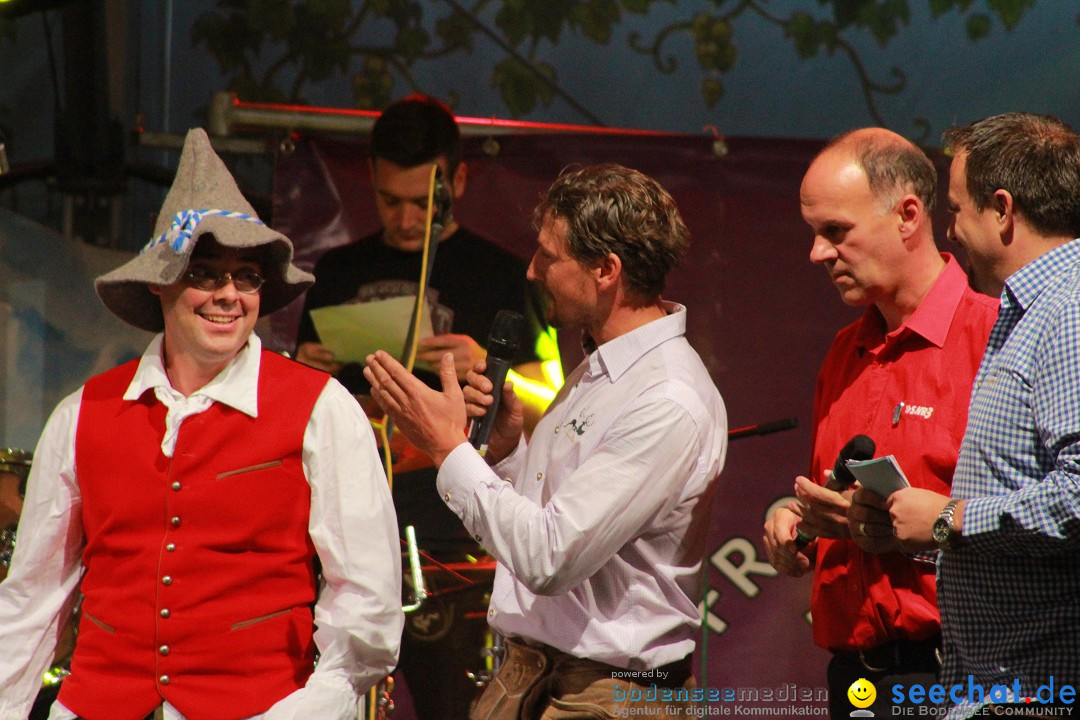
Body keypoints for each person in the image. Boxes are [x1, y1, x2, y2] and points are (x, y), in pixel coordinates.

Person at [0, 128, 402, 720]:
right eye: (207, 273)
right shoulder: (83, 414)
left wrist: (306, 712)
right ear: (163, 283)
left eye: (247, 276)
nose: (229, 294)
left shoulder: (321, 408)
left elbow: (367, 602)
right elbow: (31, 600)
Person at [364, 163, 727, 718]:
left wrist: (446, 449)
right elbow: (546, 519)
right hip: (532, 675)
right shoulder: (598, 370)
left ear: (606, 270)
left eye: (548, 257)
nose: (532, 272)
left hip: (607, 694)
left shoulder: (666, 398)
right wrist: (509, 453)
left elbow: (549, 558)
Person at [294, 94, 561, 719]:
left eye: (426, 201)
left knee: (453, 702)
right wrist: (300, 376)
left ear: (458, 180)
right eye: (391, 200)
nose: (408, 218)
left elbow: (558, 399)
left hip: (448, 536)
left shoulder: (502, 274)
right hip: (347, 521)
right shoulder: (338, 270)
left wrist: (491, 369)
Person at [762, 128, 998, 718]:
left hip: (961, 677)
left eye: (835, 232)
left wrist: (904, 532)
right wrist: (795, 518)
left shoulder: (995, 339)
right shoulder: (844, 352)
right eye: (815, 234)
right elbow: (836, 491)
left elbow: (1040, 527)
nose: (817, 253)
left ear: (907, 215)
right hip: (856, 681)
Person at [884, 112, 1080, 719]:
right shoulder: (1027, 311)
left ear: (1002, 209)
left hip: (1038, 692)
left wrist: (948, 520)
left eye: (956, 210)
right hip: (992, 689)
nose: (950, 233)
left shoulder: (1068, 310)